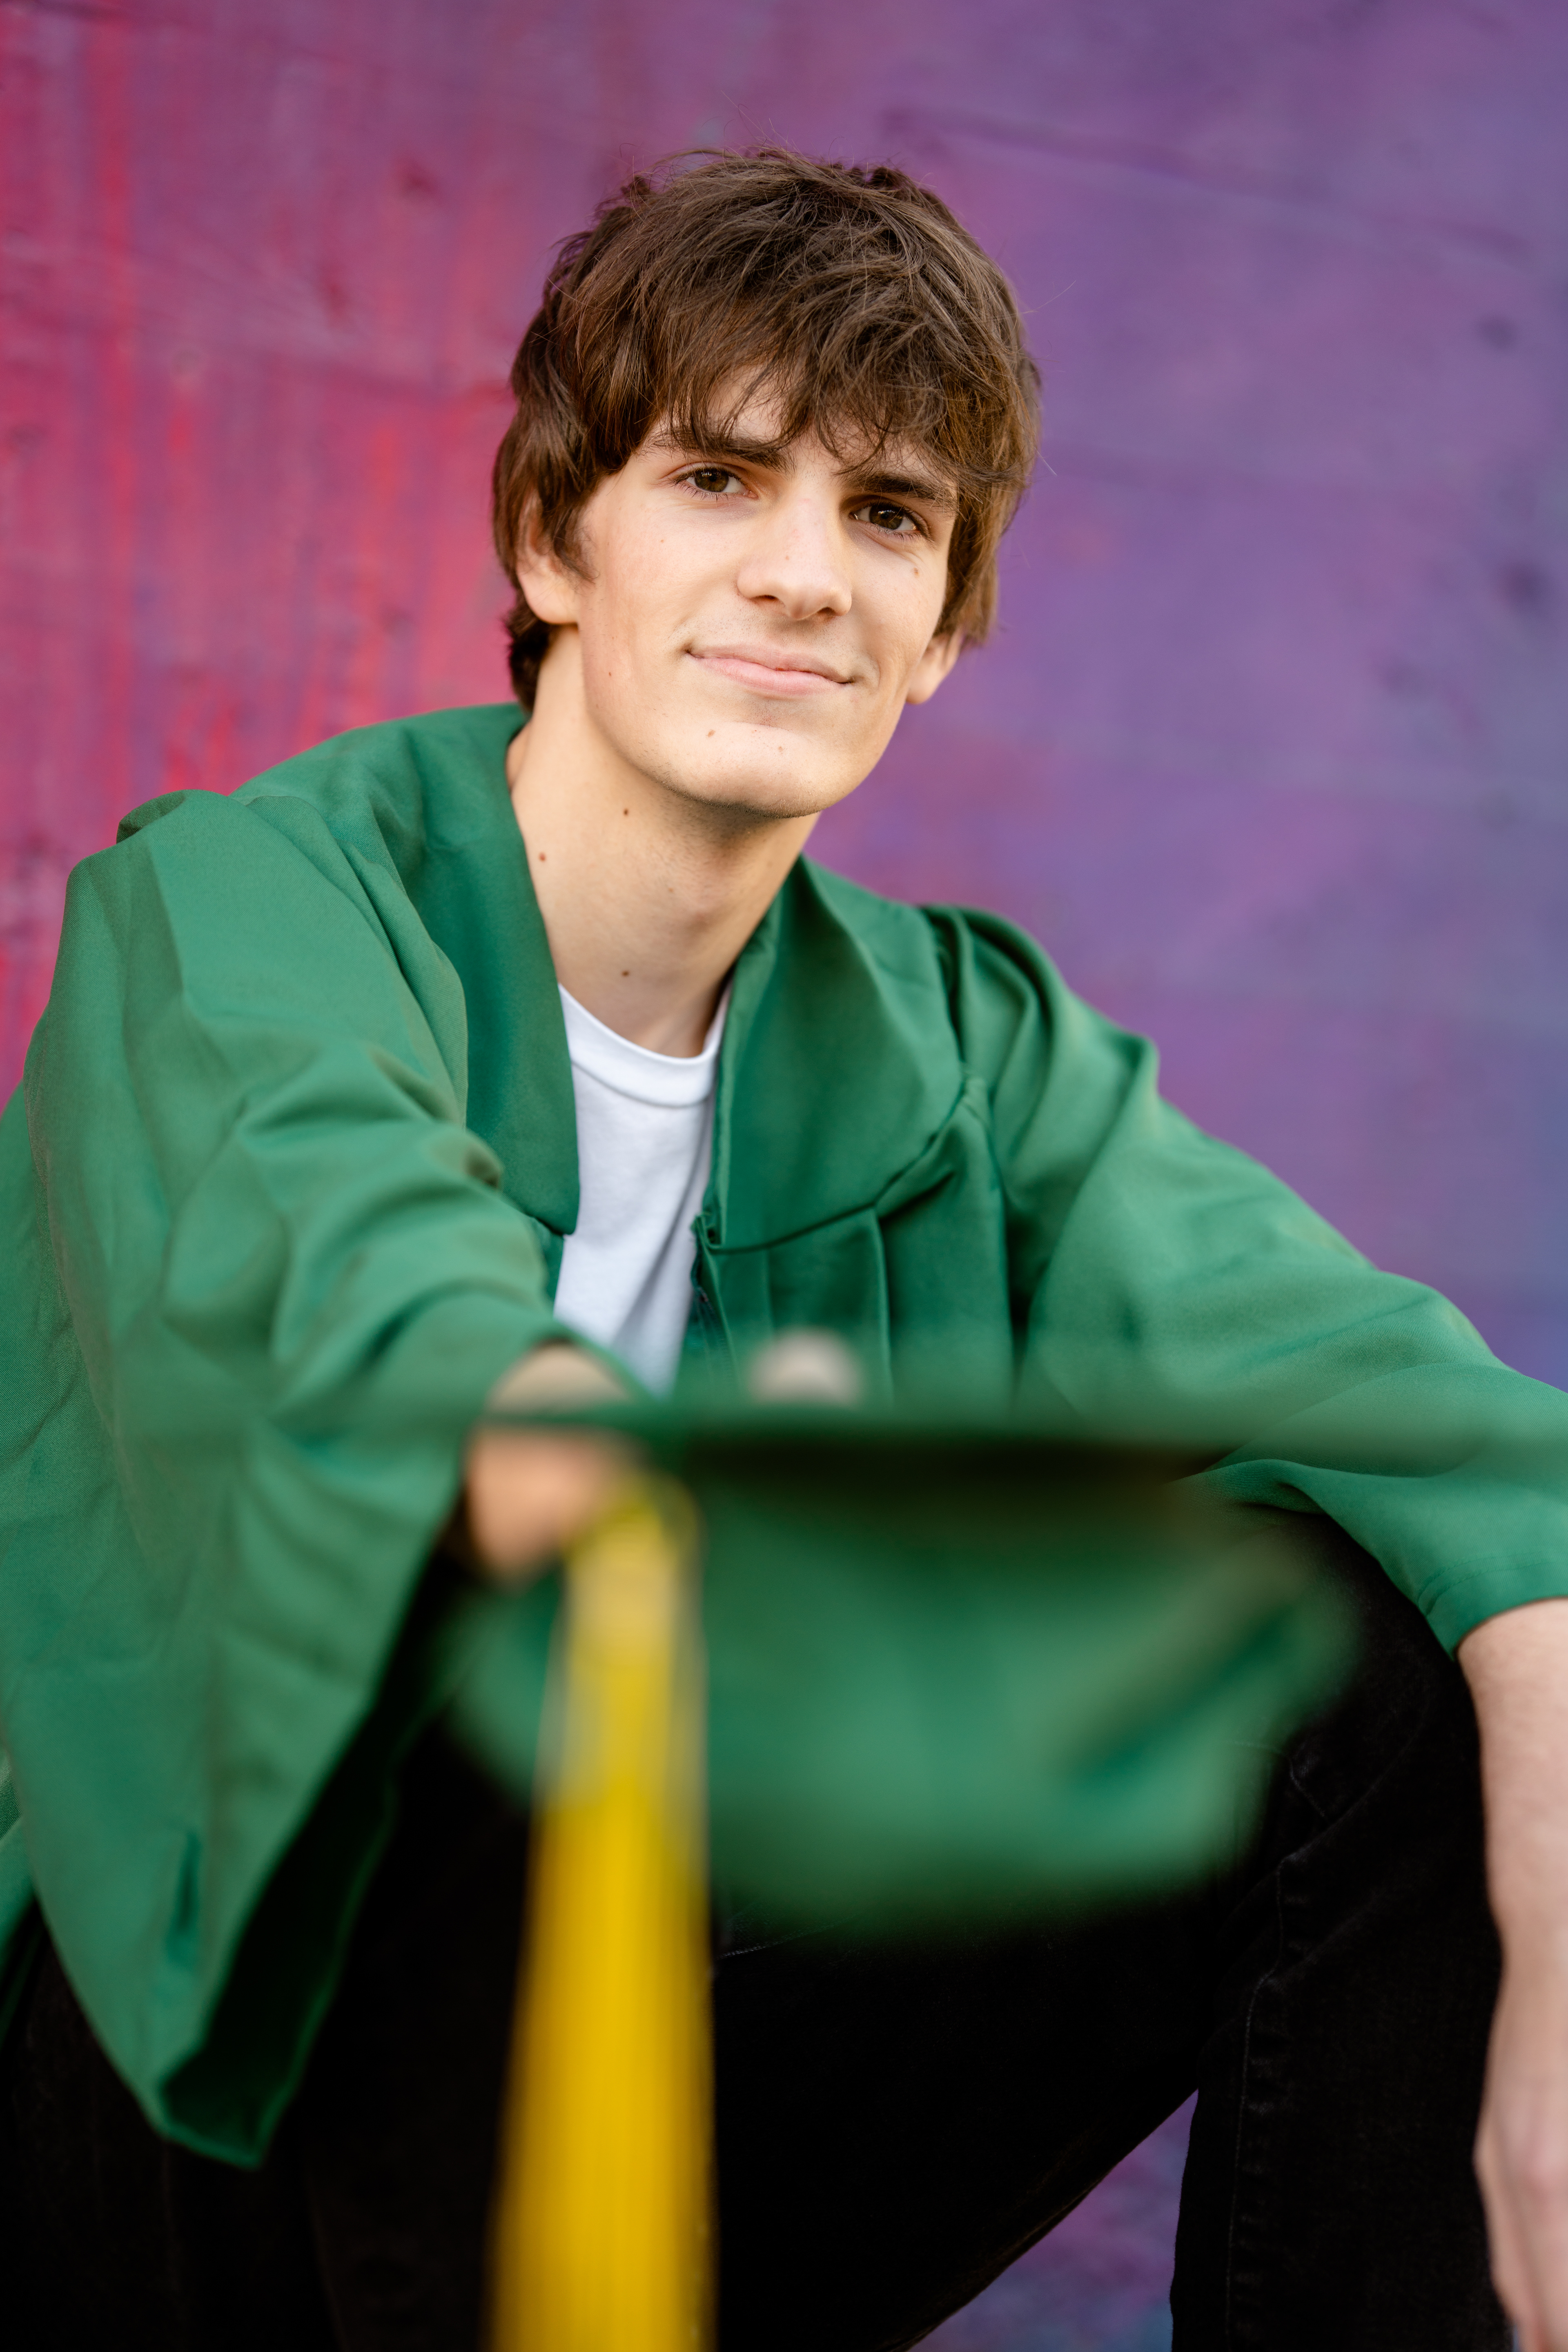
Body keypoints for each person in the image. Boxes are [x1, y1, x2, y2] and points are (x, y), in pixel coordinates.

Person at [2, 146, 1568, 2352]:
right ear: (556, 540)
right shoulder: (252, 907)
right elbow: (367, 1285)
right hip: (178, 2083)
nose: (807, 577)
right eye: (722, 480)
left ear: (943, 635)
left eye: (889, 517)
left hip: (652, 2068)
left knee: (1371, 1663)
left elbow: (1476, 1468)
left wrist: (1554, 2038)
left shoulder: (962, 1049)